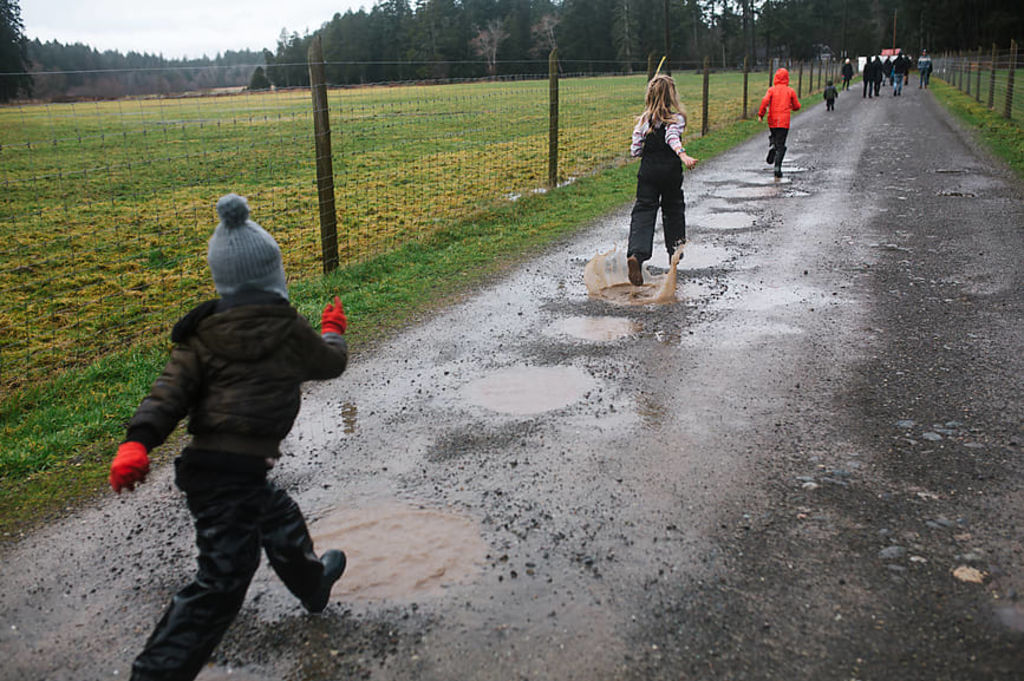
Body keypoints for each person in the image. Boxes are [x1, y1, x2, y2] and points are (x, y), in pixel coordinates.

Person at [109, 193, 351, 681]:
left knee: (278, 516)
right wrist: (333, 329)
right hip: (226, 476)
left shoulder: (200, 335)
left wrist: (138, 441)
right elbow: (332, 364)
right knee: (221, 583)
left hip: (218, 472)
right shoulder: (290, 330)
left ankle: (312, 583)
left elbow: (167, 394)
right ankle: (156, 672)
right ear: (273, 276)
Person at [626, 73, 698, 286]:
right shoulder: (677, 119)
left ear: (649, 95)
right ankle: (674, 253)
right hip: (670, 172)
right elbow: (671, 137)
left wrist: (639, 149)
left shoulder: (643, 120)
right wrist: (682, 155)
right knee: (673, 209)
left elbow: (635, 149)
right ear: (672, 96)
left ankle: (637, 255)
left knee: (643, 211)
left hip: (648, 172)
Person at [758, 67, 802, 179]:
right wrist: (792, 107)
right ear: (787, 78)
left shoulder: (771, 90)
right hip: (783, 121)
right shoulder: (790, 91)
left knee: (774, 134)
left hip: (772, 119)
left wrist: (761, 114)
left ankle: (773, 145)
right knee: (781, 145)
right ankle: (777, 167)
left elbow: (765, 101)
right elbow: (797, 106)